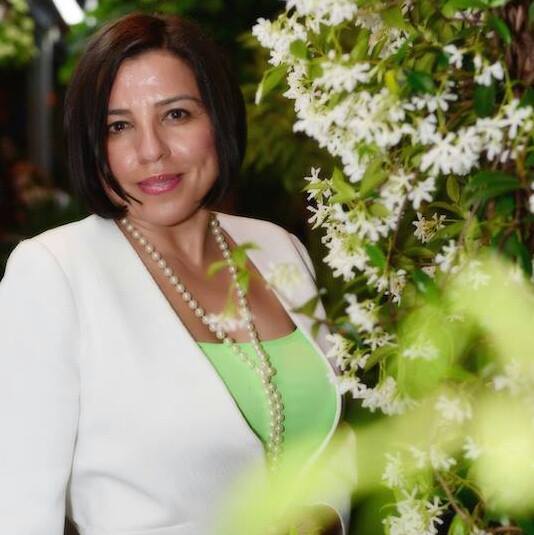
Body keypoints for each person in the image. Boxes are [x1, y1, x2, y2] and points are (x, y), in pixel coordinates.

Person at [0, 12, 350, 535]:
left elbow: (329, 437)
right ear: (94, 144)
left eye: (176, 114)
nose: (152, 150)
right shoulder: (53, 272)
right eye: (119, 126)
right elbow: (20, 512)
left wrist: (326, 516)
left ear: (218, 119)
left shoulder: (279, 248)